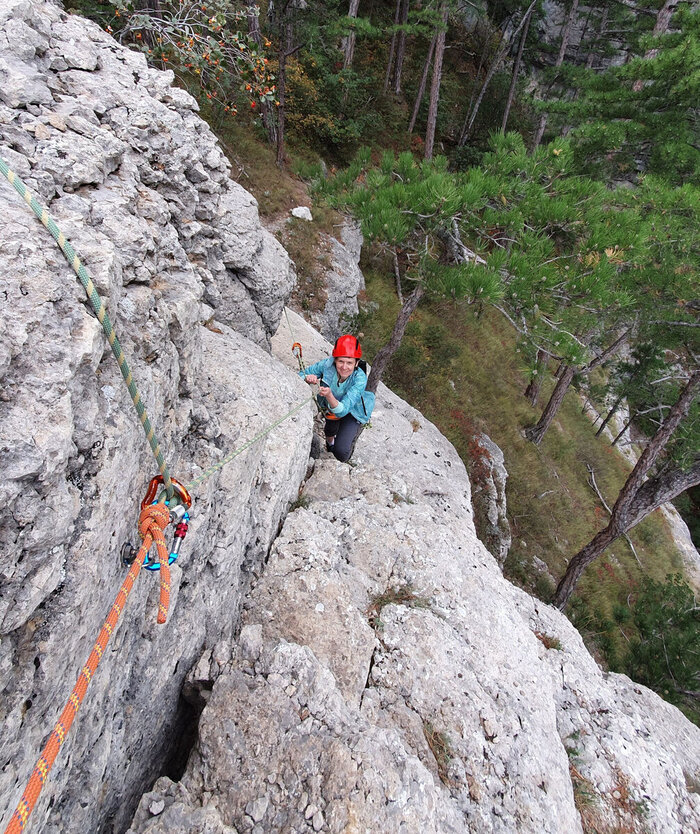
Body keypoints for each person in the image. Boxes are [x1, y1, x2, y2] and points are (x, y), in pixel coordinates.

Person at [300, 334, 374, 462]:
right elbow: (301, 374)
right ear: (335, 360)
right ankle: (330, 444)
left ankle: (341, 460)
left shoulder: (360, 379)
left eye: (349, 363)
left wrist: (329, 395)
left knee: (341, 451)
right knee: (329, 429)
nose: (344, 367)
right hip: (332, 406)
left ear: (357, 363)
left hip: (353, 410)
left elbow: (343, 410)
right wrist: (307, 378)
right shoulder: (327, 365)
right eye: (341, 361)